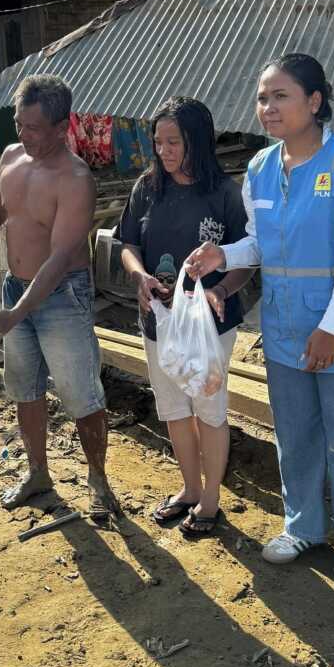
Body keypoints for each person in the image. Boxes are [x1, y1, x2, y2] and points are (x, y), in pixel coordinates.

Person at [186, 53, 334, 597]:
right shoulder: (261, 167)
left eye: (281, 96)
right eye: (262, 97)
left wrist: (333, 328)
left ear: (314, 101)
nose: (268, 107)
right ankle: (303, 527)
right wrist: (225, 255)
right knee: (296, 438)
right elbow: (262, 243)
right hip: (285, 330)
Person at [0, 74, 119, 519]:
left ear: (62, 127)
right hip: (16, 287)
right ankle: (38, 473)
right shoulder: (11, 157)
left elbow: (61, 257)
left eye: (35, 128)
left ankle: (98, 480)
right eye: (19, 125)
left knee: (81, 394)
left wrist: (17, 313)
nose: (24, 135)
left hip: (62, 296)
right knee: (25, 389)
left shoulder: (75, 179)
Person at [116, 97, 254, 537]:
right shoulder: (147, 188)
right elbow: (128, 244)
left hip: (211, 324)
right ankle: (190, 488)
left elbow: (248, 258)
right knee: (174, 407)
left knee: (209, 407)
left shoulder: (225, 193)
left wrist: (221, 290)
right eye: (158, 142)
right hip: (160, 319)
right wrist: (139, 277)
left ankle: (211, 498)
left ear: (197, 141)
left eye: (174, 141)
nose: (164, 151)